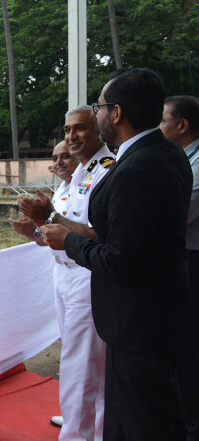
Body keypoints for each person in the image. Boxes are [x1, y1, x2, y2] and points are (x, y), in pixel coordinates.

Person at [40, 68, 198, 439]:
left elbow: (120, 257)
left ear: (116, 113)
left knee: (140, 420)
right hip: (158, 310)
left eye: (98, 108)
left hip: (138, 321)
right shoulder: (168, 154)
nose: (94, 117)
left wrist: (70, 241)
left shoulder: (133, 169)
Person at [17, 107, 115, 439]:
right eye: (67, 130)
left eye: (79, 129)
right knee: (82, 361)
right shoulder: (76, 177)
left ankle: (78, 433)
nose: (71, 137)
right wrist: (33, 231)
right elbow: (57, 236)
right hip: (64, 274)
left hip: (88, 275)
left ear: (99, 130)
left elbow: (103, 235)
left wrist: (51, 218)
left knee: (80, 366)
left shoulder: (107, 170)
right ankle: (91, 425)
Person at [160, 94, 199, 438]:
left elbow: (178, 214)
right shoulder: (179, 160)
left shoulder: (194, 164)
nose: (158, 129)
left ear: (182, 126)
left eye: (162, 122)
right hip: (183, 258)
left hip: (192, 261)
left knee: (187, 347)